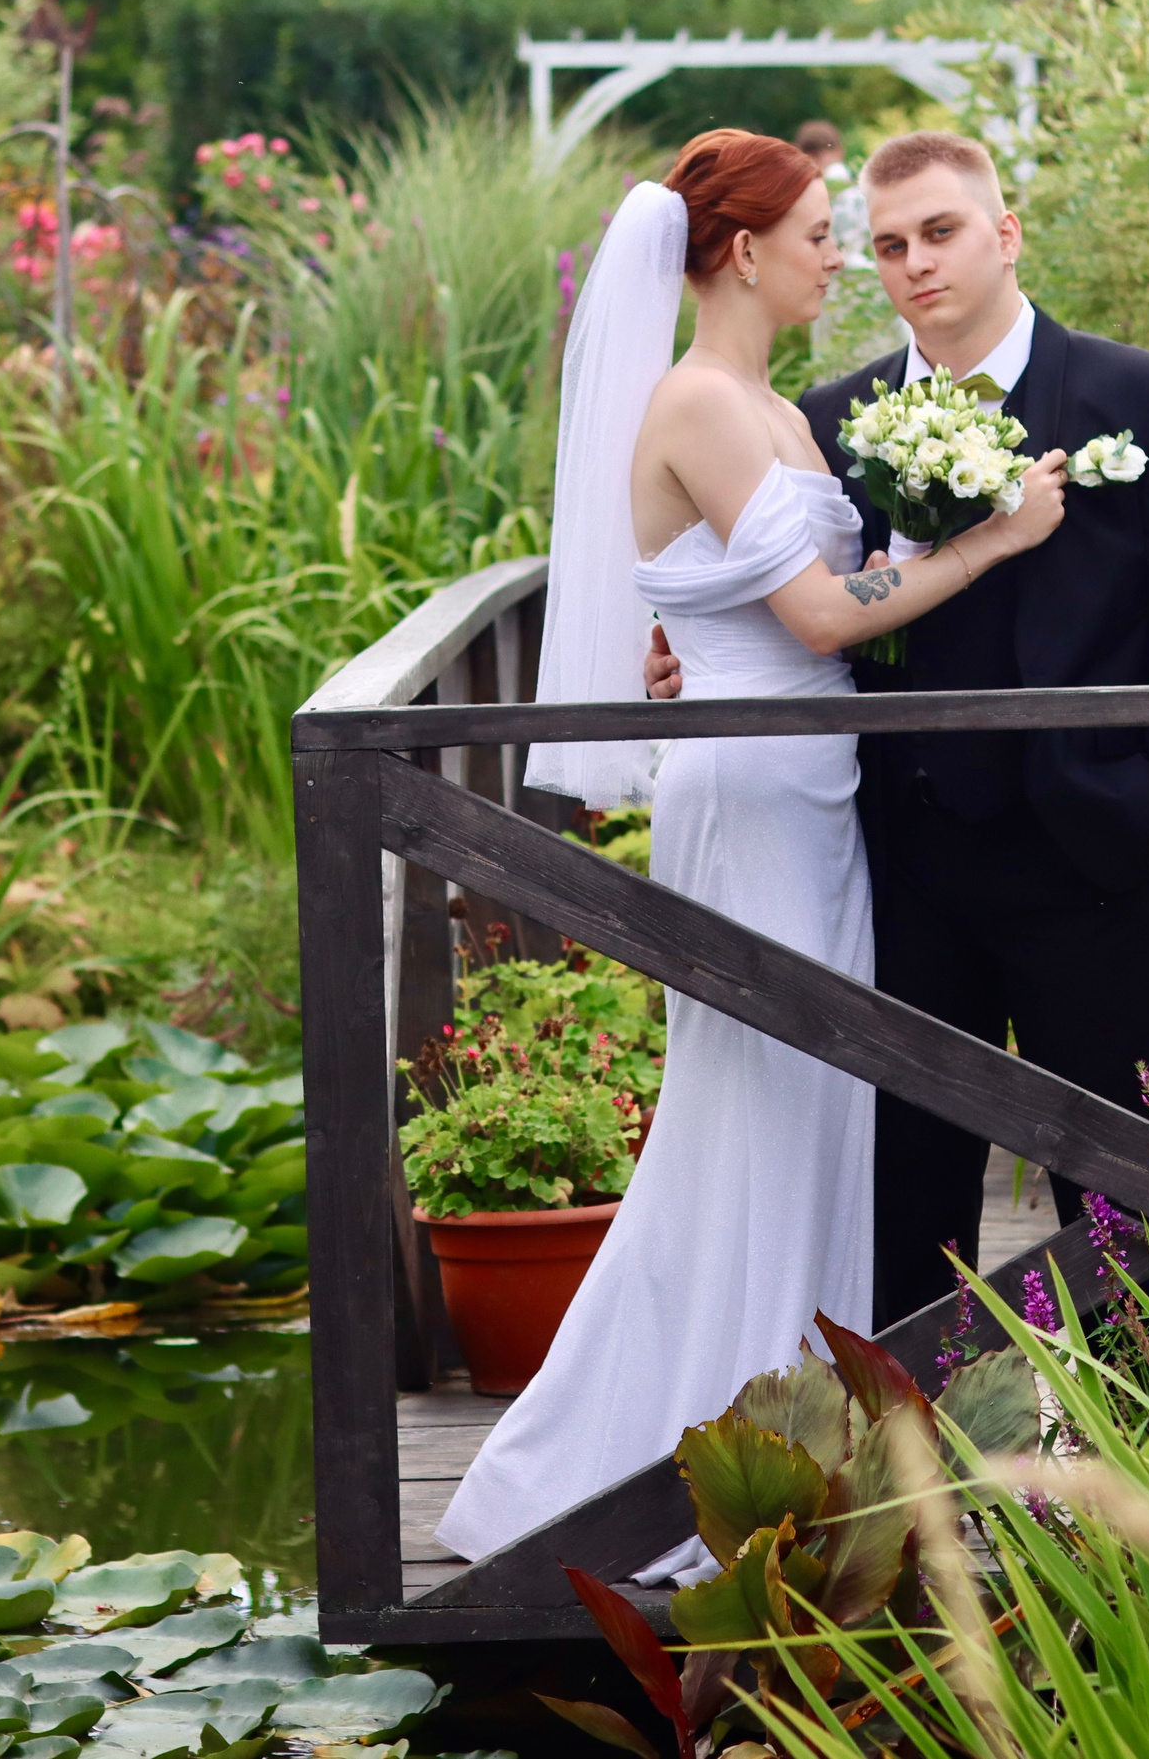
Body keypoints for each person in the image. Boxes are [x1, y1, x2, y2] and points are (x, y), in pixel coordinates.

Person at [433, 129, 1070, 1573]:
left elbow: (821, 585)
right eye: (821, 236)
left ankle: (801, 1442)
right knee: (757, 1111)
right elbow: (828, 621)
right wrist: (1003, 537)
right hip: (752, 800)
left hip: (814, 787)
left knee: (822, 1115)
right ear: (743, 254)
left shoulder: (773, 407)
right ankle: (659, 1458)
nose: (843, 258)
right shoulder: (704, 404)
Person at [646, 130, 1149, 1328]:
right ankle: (929, 1481)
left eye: (941, 232)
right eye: (886, 246)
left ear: (1004, 233)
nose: (915, 263)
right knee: (908, 1197)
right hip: (899, 869)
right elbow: (800, 595)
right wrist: (685, 654)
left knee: (1124, 1193)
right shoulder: (833, 415)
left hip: (1094, 860)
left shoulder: (1142, 397)